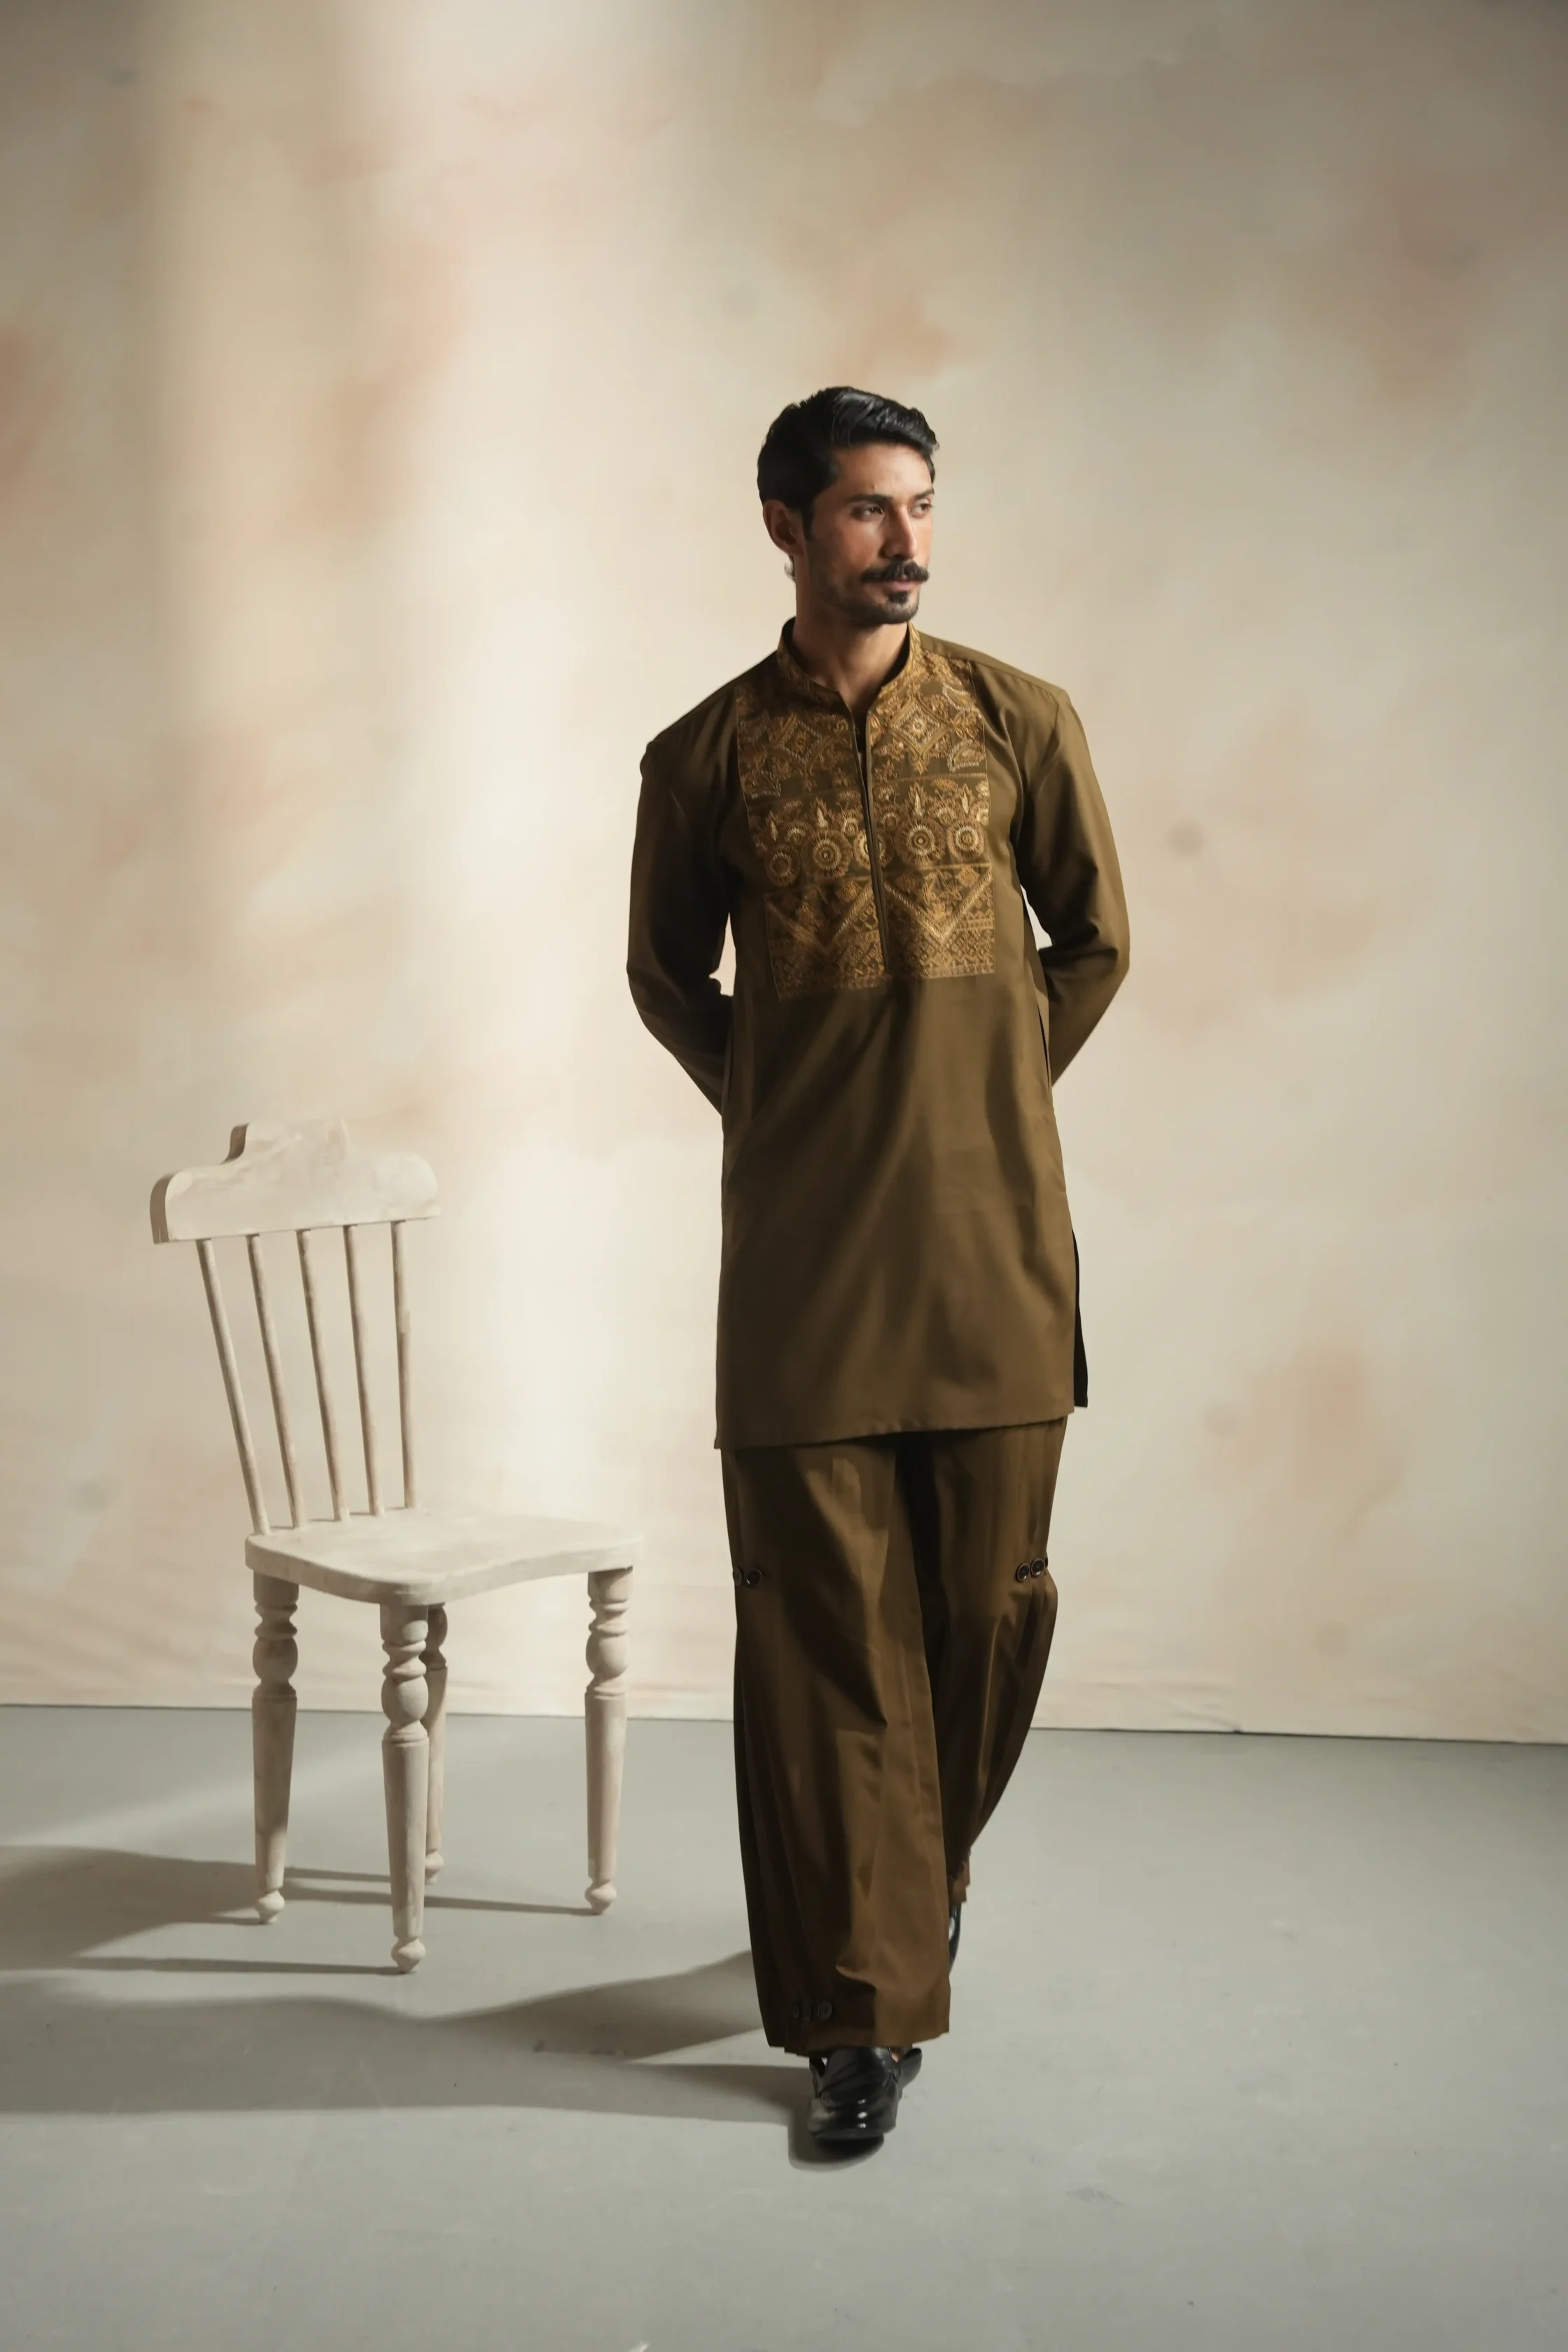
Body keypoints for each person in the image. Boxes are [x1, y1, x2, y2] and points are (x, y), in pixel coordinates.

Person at [627, 386, 1129, 2150]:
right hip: (803, 1265)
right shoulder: (702, 757)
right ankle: (857, 2015)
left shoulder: (1017, 719)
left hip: (992, 1239)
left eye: (920, 505)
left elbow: (1096, 938)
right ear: (785, 526)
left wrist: (972, 1092)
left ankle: (914, 1884)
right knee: (825, 1635)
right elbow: (666, 980)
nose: (904, 540)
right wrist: (791, 1109)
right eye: (864, 509)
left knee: (990, 1608)